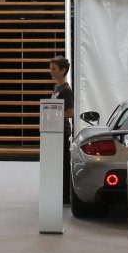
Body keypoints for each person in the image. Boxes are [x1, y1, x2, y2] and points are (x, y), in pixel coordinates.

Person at [49, 56, 74, 205]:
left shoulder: (66, 90)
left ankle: (65, 195)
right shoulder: (57, 88)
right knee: (56, 164)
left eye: (54, 69)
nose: (51, 71)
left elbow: (70, 112)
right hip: (53, 130)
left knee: (63, 164)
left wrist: (54, 113)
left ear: (63, 70)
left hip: (62, 131)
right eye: (51, 68)